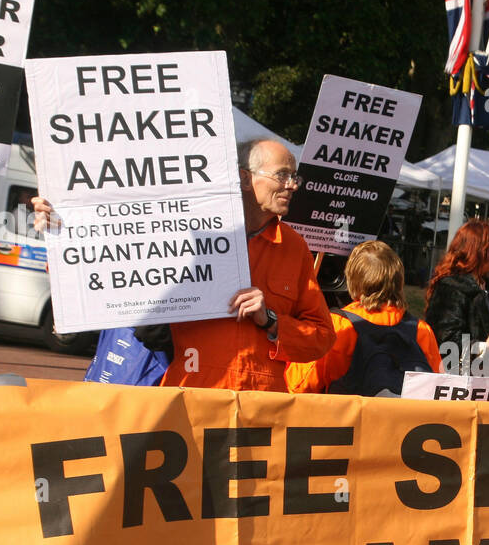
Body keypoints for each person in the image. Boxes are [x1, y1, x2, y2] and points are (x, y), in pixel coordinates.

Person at [34, 138, 335, 391]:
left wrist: (270, 320)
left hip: (260, 410)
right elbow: (105, 272)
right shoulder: (185, 229)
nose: (292, 185)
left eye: (294, 177)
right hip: (187, 400)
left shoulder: (294, 247)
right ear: (245, 178)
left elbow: (321, 338)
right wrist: (62, 232)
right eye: (282, 175)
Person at [287, 240, 441, 395]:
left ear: (352, 280)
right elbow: (438, 388)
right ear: (399, 280)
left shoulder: (338, 326)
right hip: (402, 417)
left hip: (346, 417)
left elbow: (297, 385)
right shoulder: (421, 330)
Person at [424, 219, 489, 373]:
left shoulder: (487, 287)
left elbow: (486, 332)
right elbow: (446, 341)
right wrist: (484, 346)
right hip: (455, 379)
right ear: (480, 251)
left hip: (482, 373)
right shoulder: (450, 287)